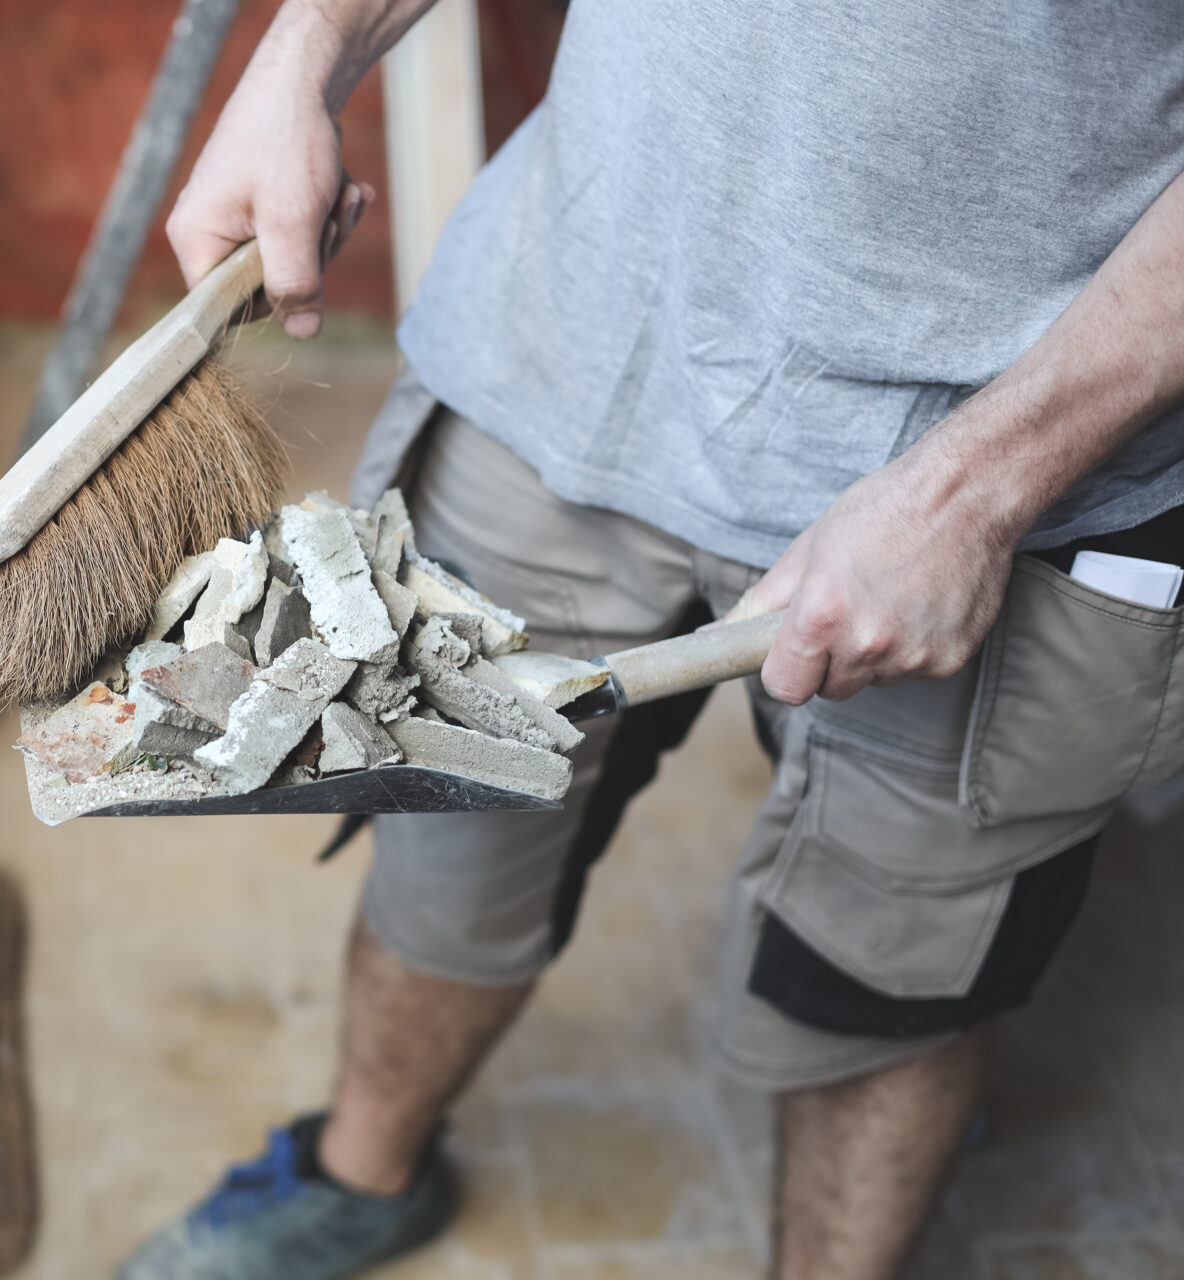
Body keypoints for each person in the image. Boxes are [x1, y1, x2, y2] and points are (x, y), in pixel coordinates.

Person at [113, 3, 1184, 1279]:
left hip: (1008, 453)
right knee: (445, 857)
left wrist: (978, 493)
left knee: (889, 979)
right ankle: (360, 1173)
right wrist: (303, 57)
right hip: (564, 348)